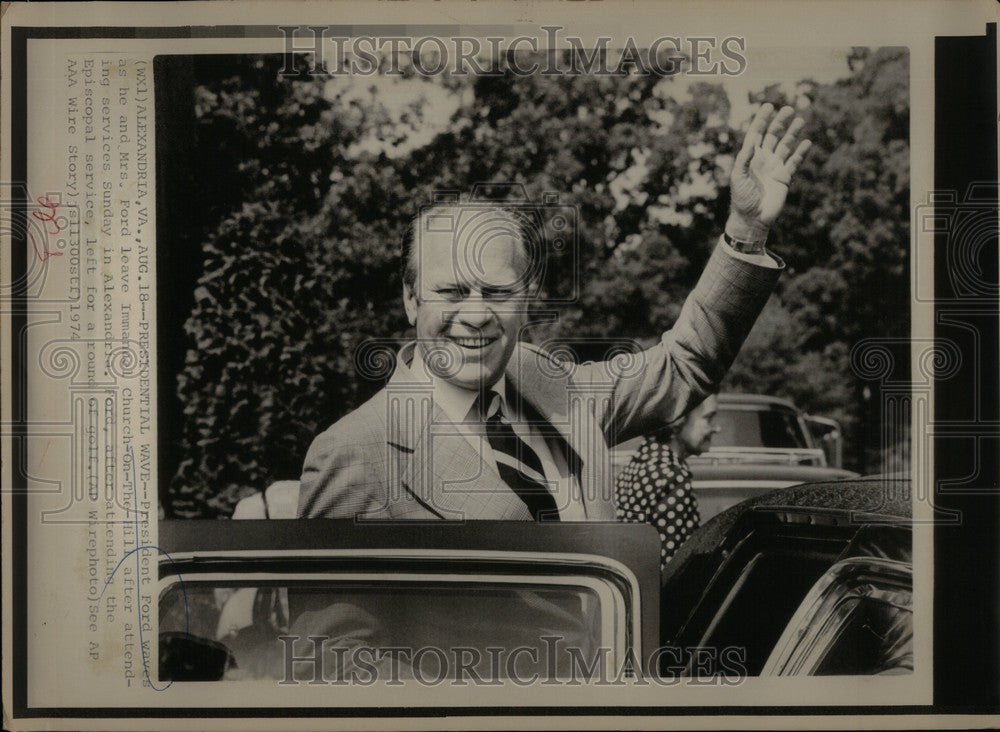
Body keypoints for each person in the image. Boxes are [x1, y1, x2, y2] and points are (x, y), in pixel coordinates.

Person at [298, 103, 810, 523]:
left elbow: (683, 365)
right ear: (411, 299)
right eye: (452, 292)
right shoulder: (354, 453)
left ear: (527, 300)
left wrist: (745, 229)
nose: (475, 316)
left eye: (496, 292)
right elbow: (340, 647)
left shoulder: (548, 382)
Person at [614, 394, 719, 572]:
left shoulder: (638, 464)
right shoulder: (672, 476)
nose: (716, 428)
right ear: (677, 418)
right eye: (707, 418)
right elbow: (672, 567)